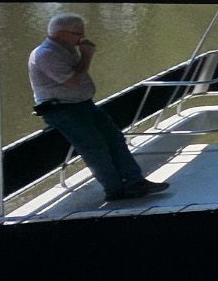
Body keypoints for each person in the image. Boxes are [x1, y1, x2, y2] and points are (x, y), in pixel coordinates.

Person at [29, 12, 170, 204]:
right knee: (95, 149)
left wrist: (81, 55)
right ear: (61, 34)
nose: (81, 39)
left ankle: (135, 182)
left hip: (82, 105)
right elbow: (71, 82)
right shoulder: (46, 54)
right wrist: (86, 56)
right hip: (62, 110)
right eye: (77, 34)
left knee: (115, 139)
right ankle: (115, 191)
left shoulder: (66, 48)